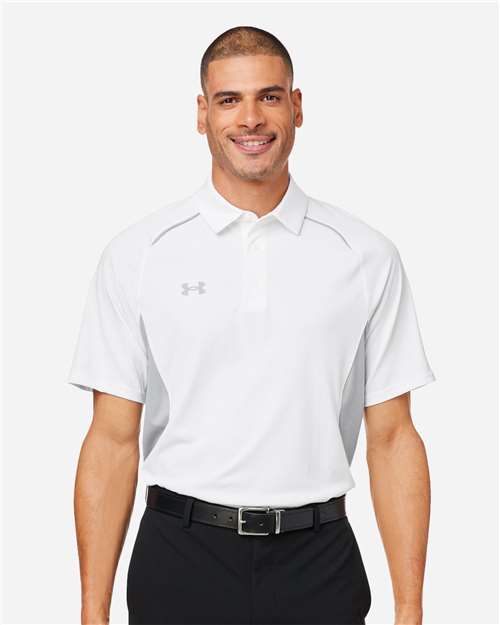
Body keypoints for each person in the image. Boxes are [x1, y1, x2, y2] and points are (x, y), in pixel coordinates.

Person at [68, 25, 436, 625]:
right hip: (180, 556)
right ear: (202, 114)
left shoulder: (365, 255)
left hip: (319, 560)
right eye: (228, 100)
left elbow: (394, 438)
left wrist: (411, 610)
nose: (251, 119)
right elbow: (111, 440)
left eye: (269, 96)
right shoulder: (140, 254)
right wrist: (92, 612)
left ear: (297, 107)